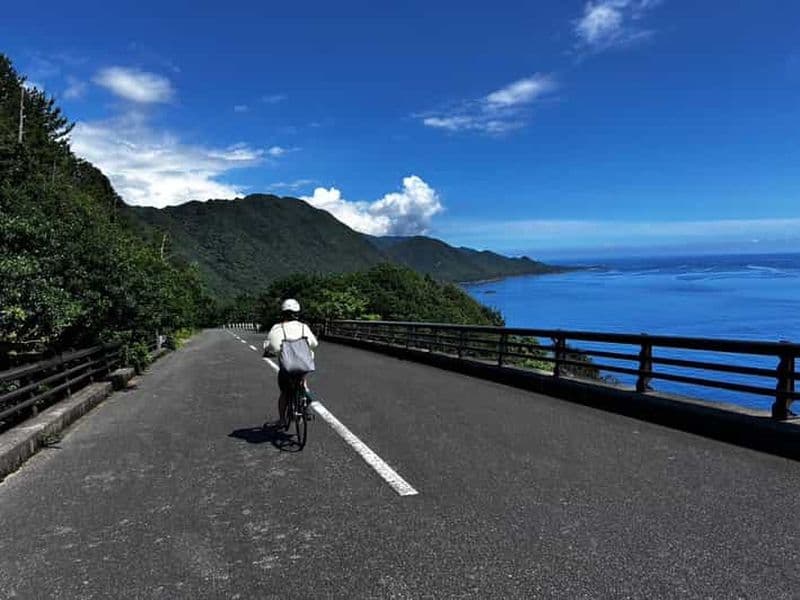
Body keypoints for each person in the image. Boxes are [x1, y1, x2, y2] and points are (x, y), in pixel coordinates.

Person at [263, 299, 319, 428]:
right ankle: (306, 399)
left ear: (283, 313)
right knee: (302, 381)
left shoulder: (277, 328)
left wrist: (269, 351)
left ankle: (282, 420)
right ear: (297, 313)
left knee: (285, 392)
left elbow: (273, 347)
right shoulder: (304, 327)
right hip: (305, 365)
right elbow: (314, 344)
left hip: (287, 367)